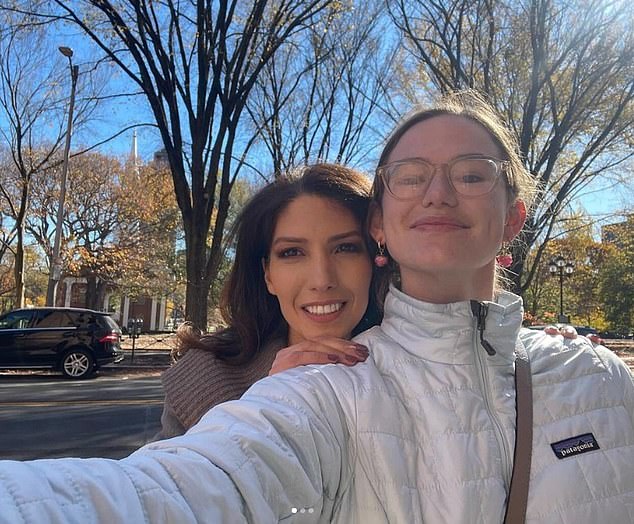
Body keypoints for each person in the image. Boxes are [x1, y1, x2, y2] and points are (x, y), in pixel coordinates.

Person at [1, 91, 632, 523]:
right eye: (411, 175)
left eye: (471, 174)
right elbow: (167, 491)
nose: (439, 192)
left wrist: (553, 358)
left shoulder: (593, 378)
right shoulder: (318, 392)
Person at [157, 163, 383, 438]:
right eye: (292, 252)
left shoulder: (419, 369)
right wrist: (265, 403)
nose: (321, 279)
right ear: (268, 275)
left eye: (345, 248)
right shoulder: (203, 381)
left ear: (375, 260)